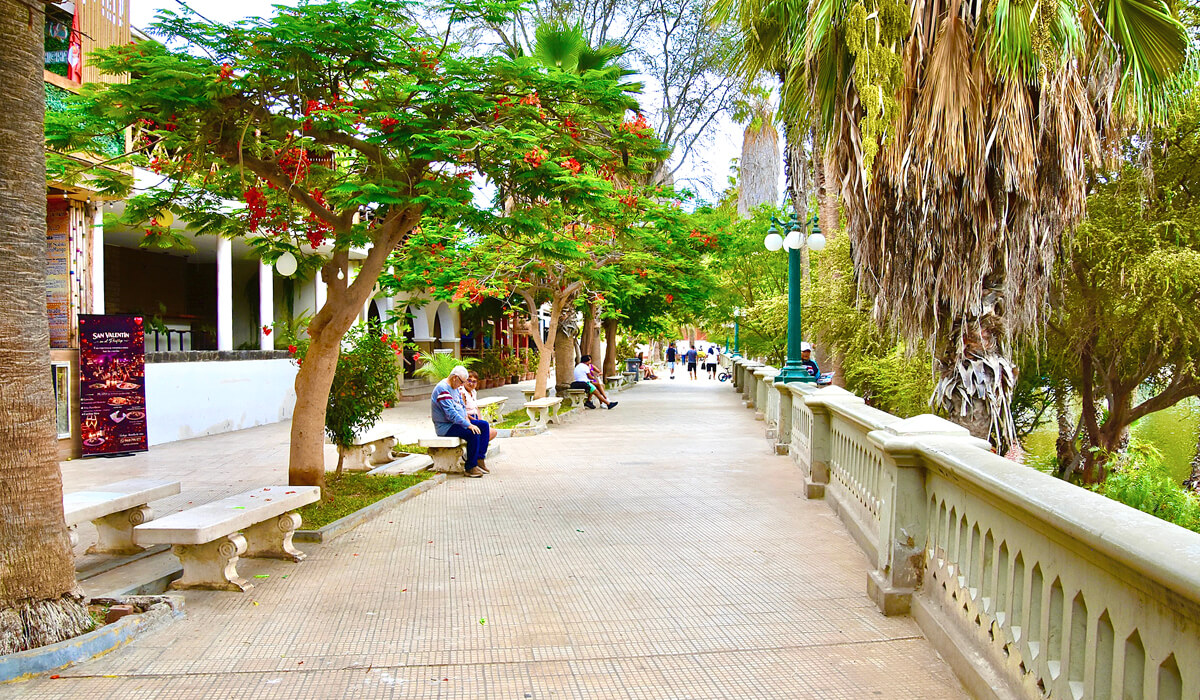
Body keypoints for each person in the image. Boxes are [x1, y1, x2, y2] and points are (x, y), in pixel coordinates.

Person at [431, 365, 490, 477]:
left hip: (456, 423)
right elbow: (451, 415)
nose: (462, 385)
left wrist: (466, 418)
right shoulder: (442, 389)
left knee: (483, 425)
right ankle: (470, 467)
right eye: (462, 382)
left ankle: (479, 459)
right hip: (446, 427)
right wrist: (468, 425)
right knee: (473, 433)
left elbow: (462, 406)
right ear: (455, 378)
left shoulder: (455, 388)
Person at [460, 370, 498, 441]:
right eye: (469, 380)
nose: (471, 383)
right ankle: (479, 447)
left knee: (493, 432)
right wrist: (474, 420)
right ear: (464, 381)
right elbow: (462, 411)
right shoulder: (462, 393)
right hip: (468, 419)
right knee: (485, 427)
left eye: (474, 381)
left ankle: (479, 445)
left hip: (475, 418)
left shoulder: (473, 392)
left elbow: (476, 408)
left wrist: (480, 419)